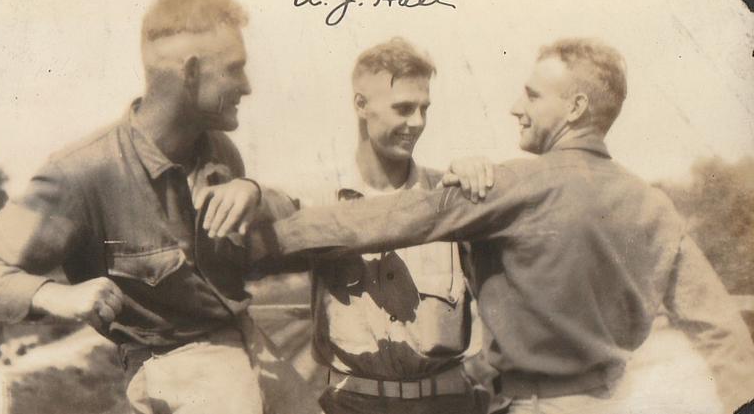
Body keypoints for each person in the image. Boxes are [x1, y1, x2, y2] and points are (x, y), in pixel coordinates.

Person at [244, 38, 754, 414]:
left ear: (574, 108)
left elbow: (388, 218)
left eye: (532, 96)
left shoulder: (516, 186)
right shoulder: (654, 205)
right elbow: (723, 332)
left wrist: (261, 243)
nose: (515, 107)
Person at [0, 0, 310, 414]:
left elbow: (292, 219)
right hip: (175, 367)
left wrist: (252, 191)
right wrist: (50, 294)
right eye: (234, 69)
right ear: (192, 72)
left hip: (244, 341)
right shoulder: (83, 172)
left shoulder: (218, 151)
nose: (247, 87)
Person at [306, 38, 483, 414]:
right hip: (352, 404)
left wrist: (480, 178)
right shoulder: (321, 201)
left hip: (447, 404)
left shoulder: (450, 198)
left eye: (424, 109)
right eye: (403, 108)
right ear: (361, 104)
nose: (416, 123)